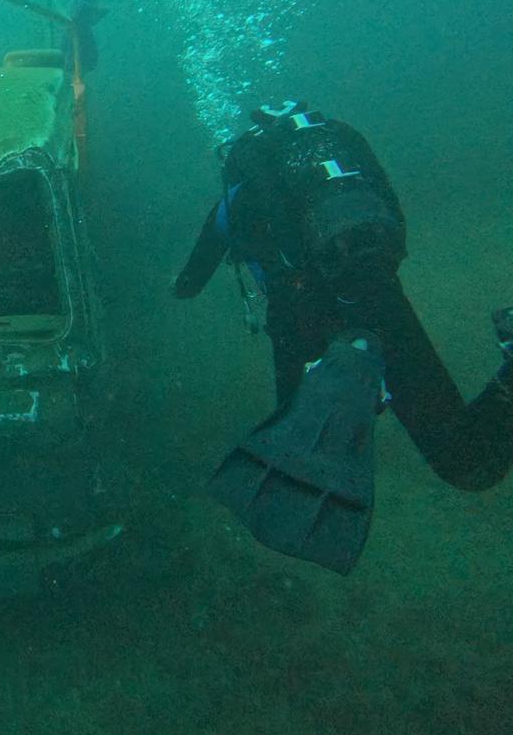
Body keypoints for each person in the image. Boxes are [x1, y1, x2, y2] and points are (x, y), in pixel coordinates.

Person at [173, 99, 512, 573]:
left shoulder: (236, 201)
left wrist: (194, 273)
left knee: (297, 458)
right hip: (376, 294)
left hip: (302, 321)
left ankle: (353, 380)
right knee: (466, 463)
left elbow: (189, 284)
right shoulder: (341, 166)